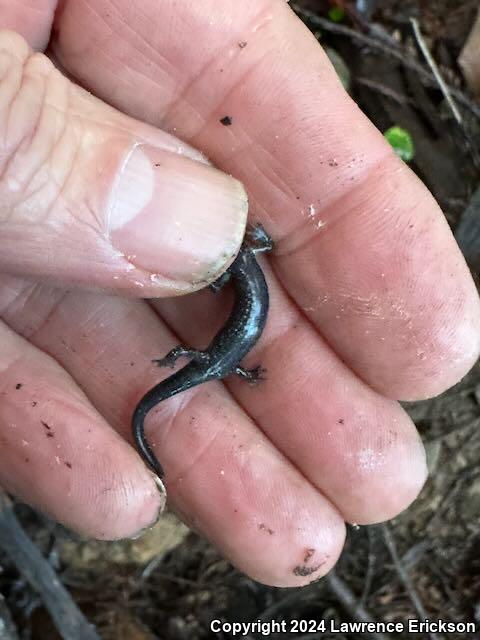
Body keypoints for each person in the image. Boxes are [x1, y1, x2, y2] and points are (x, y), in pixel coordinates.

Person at [0, 1, 478, 588]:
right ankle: (148, 435)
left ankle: (148, 435)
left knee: (185, 383)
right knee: (190, 379)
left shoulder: (236, 271)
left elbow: (241, 266)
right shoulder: (224, 337)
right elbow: (243, 278)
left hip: (221, 358)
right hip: (222, 362)